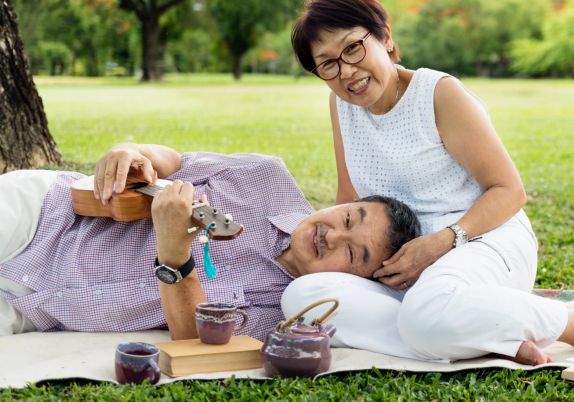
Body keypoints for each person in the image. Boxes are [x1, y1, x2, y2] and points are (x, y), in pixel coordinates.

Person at [283, 0, 574, 364]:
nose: (347, 71)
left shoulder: (438, 93)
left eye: (352, 48)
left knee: (426, 311)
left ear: (385, 37)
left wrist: (441, 242)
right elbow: (349, 196)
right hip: (406, 268)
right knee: (305, 297)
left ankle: (571, 323)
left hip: (481, 240)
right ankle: (486, 334)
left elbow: (509, 191)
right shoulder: (341, 104)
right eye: (328, 65)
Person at [0, 143, 420, 340]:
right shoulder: (266, 176)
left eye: (352, 252)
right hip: (45, 217)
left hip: (39, 309)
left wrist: (174, 250)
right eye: (348, 217)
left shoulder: (279, 315)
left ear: (358, 282)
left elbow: (192, 332)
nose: (332, 234)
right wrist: (135, 154)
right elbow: (177, 161)